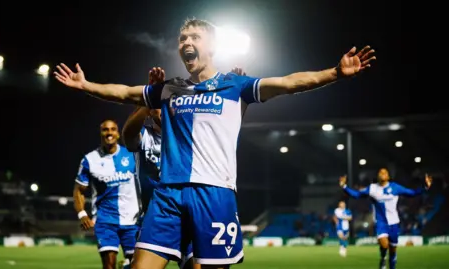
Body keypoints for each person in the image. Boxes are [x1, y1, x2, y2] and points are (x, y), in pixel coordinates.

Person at [55, 18, 376, 269]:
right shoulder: (170, 89)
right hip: (168, 195)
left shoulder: (236, 86)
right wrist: (85, 85)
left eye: (195, 37)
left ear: (213, 47)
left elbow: (289, 83)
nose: (186, 43)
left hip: (214, 194)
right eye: (182, 39)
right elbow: (124, 92)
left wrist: (335, 72)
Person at [73, 120, 140, 269]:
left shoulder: (131, 155)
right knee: (109, 264)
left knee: (137, 264)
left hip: (133, 220)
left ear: (118, 133)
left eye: (113, 129)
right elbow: (79, 190)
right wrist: (82, 214)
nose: (109, 133)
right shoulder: (90, 160)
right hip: (105, 221)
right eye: (105, 130)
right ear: (101, 133)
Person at [339, 168, 432, 269]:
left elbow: (412, 193)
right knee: (384, 244)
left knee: (393, 250)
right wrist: (344, 186)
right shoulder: (372, 188)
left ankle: (391, 264)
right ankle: (383, 257)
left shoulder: (395, 187)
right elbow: (357, 195)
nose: (382, 174)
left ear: (388, 177)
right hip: (381, 222)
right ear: (378, 176)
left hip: (394, 223)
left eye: (385, 172)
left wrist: (425, 187)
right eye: (380, 172)